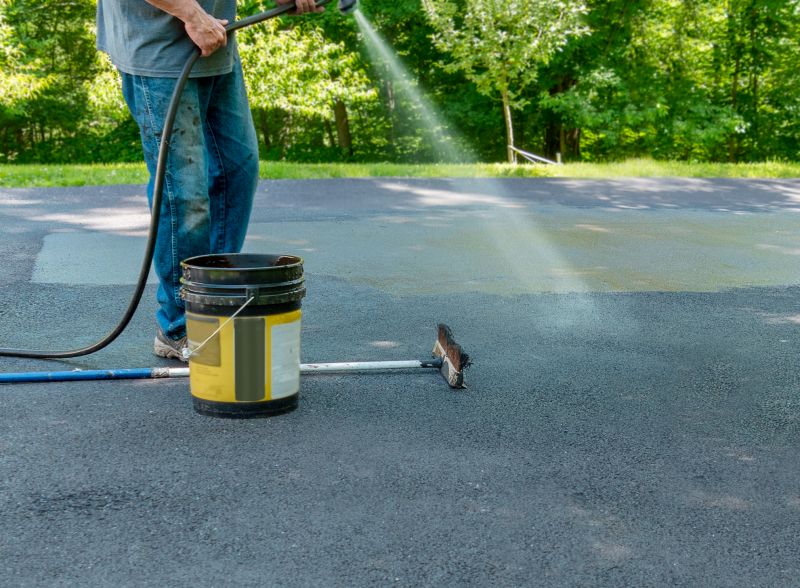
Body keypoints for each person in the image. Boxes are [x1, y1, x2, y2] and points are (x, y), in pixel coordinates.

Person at [96, 0, 321, 361]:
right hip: (160, 50)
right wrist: (191, 14)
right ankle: (180, 326)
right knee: (184, 196)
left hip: (215, 43)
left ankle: (214, 307)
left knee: (238, 171)